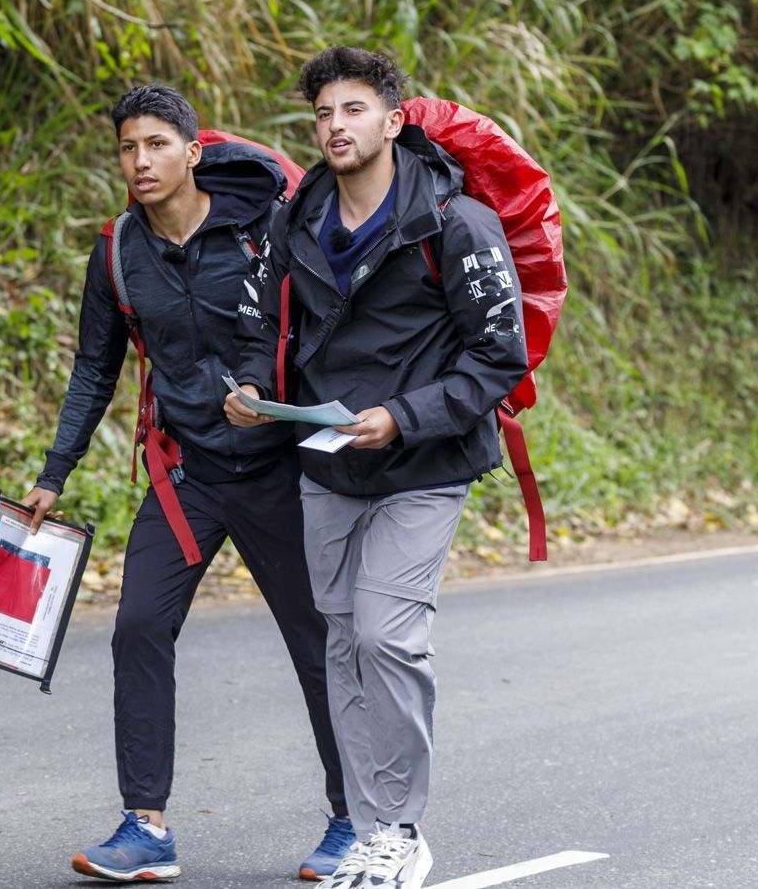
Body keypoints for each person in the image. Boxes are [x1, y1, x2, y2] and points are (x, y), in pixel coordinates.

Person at [20, 84, 352, 883]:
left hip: (277, 471)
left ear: (193, 151)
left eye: (157, 145)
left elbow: (319, 321)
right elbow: (93, 369)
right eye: (129, 148)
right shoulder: (115, 254)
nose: (141, 161)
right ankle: (145, 828)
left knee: (318, 647)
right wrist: (52, 475)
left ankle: (354, 818)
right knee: (137, 628)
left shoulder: (264, 229)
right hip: (186, 475)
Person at [226, 48, 529, 889]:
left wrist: (402, 415)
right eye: (323, 113)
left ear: (393, 121)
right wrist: (253, 387)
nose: (335, 126)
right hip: (328, 463)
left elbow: (497, 358)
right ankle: (367, 829)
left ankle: (401, 828)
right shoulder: (297, 219)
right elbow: (263, 320)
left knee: (387, 637)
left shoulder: (457, 224)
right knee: (343, 645)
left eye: (354, 110)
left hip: (425, 463)